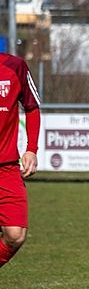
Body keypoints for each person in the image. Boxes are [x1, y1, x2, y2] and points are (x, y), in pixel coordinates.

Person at [0, 53, 41, 269]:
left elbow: (32, 107)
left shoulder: (15, 67)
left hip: (6, 168)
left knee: (15, 234)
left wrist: (31, 149)